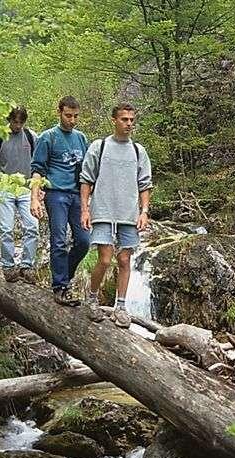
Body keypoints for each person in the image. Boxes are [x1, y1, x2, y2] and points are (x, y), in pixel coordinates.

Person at [79, 103, 152, 328]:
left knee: (124, 259)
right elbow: (86, 179)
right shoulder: (99, 147)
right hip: (103, 210)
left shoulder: (138, 151)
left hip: (129, 214)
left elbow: (145, 183)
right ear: (114, 120)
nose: (129, 123)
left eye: (131, 120)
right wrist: (84, 209)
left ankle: (121, 306)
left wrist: (144, 212)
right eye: (124, 119)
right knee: (105, 258)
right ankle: (91, 298)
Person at [30, 96, 91, 306]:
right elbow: (37, 169)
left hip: (77, 195)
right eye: (68, 116)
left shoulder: (82, 138)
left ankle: (65, 275)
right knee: (59, 240)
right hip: (55, 194)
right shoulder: (48, 137)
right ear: (59, 112)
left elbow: (89, 171)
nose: (72, 120)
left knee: (84, 241)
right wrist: (34, 198)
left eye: (75, 116)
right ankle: (60, 287)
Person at [0, 106, 38, 283]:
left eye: (21, 122)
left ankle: (27, 266)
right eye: (15, 122)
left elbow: (38, 165)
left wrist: (39, 189)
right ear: (9, 120)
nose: (18, 126)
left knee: (32, 226)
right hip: (4, 187)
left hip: (26, 188)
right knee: (6, 229)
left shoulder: (31, 136)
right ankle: (8, 266)